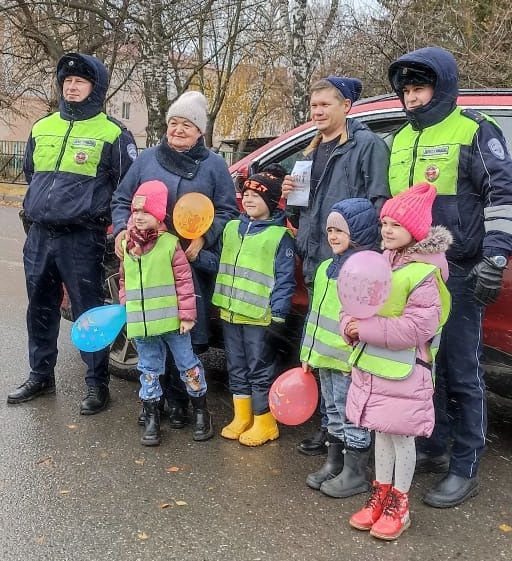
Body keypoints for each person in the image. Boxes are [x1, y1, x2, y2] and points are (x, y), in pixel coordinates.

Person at [388, 47, 512, 508]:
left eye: (419, 88)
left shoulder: (474, 131)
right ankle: (436, 445)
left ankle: (466, 465)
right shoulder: (399, 138)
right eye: (406, 90)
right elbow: (392, 207)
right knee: (426, 368)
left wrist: (495, 258)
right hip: (413, 274)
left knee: (463, 371)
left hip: (461, 271)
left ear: (440, 87)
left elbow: (503, 195)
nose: (412, 98)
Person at [7, 53, 137, 413]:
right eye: (67, 81)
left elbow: (125, 187)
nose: (72, 86)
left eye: (80, 81)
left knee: (88, 311)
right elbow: (33, 174)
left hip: (82, 237)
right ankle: (40, 375)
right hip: (40, 235)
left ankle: (97, 385)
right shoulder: (42, 127)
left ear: (95, 88)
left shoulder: (113, 133)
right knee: (41, 307)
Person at [111, 90, 238, 439]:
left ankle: (182, 401)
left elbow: (227, 211)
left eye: (187, 124)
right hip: (146, 262)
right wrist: (123, 233)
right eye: (173, 123)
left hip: (187, 263)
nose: (178, 130)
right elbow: (123, 199)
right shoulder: (148, 159)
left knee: (185, 334)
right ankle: (157, 401)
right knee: (152, 331)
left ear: (199, 131)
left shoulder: (213, 165)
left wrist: (205, 237)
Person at [282, 76, 390, 455]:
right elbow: (303, 208)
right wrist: (288, 197)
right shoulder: (311, 151)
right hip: (317, 263)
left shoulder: (367, 146)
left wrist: (363, 261)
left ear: (346, 106)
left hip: (350, 269)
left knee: (348, 355)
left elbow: (379, 206)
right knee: (322, 351)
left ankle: (353, 437)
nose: (317, 112)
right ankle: (330, 428)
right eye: (313, 107)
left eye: (325, 105)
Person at [344, 183, 452, 540]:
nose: (387, 230)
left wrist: (366, 328)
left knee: (401, 438)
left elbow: (419, 326)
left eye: (396, 225)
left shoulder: (424, 274)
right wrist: (349, 325)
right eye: (384, 223)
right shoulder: (381, 262)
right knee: (380, 432)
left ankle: (399, 504)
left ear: (416, 232)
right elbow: (354, 302)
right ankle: (381, 493)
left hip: (405, 370)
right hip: (375, 366)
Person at [118, 180, 210, 445]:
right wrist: (125, 302)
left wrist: (187, 315)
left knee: (187, 364)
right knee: (148, 368)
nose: (139, 217)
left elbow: (184, 282)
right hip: (143, 325)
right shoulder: (127, 246)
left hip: (173, 323)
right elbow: (124, 279)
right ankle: (151, 416)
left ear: (159, 216)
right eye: (136, 212)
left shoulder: (170, 244)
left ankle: (201, 411)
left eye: (146, 212)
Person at [212, 165, 295, 446]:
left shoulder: (279, 236)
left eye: (256, 196)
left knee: (259, 368)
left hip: (260, 317)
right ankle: (241, 417)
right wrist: (193, 257)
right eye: (246, 194)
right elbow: (220, 263)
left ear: (271, 202)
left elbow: (285, 280)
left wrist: (279, 317)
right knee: (236, 365)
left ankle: (264, 420)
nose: (248, 199)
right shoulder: (232, 228)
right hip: (231, 312)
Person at [301, 198, 378, 497]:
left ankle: (356, 471)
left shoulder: (366, 272)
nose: (332, 236)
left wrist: (359, 357)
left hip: (349, 360)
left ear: (358, 232)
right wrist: (307, 353)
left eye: (340, 231)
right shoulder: (323, 269)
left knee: (353, 414)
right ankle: (334, 462)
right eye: (330, 229)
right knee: (332, 410)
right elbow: (314, 315)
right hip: (324, 357)